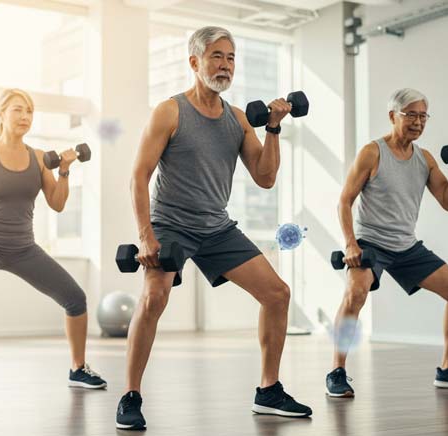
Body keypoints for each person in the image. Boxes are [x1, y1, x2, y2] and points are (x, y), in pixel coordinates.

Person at [115, 26, 312, 431]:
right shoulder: (169, 112)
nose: (225, 65)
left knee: (277, 294)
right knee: (154, 298)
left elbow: (265, 177)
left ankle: (268, 391)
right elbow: (138, 176)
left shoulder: (238, 119)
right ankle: (130, 395)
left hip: (217, 227)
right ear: (195, 62)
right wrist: (146, 236)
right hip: (170, 223)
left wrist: (273, 127)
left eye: (231, 58)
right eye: (216, 56)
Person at [0, 88, 106, 395]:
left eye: (29, 111)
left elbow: (57, 203)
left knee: (75, 297)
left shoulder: (40, 158)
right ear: (1, 114)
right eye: (18, 110)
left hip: (23, 247)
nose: (25, 116)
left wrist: (65, 170)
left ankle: (78, 369)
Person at [326, 88, 448, 398]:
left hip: (407, 247)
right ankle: (337, 371)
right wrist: (350, 244)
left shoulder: (424, 159)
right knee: (355, 293)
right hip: (371, 242)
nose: (417, 122)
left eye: (423, 116)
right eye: (410, 115)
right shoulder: (372, 152)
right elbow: (345, 201)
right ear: (392, 116)